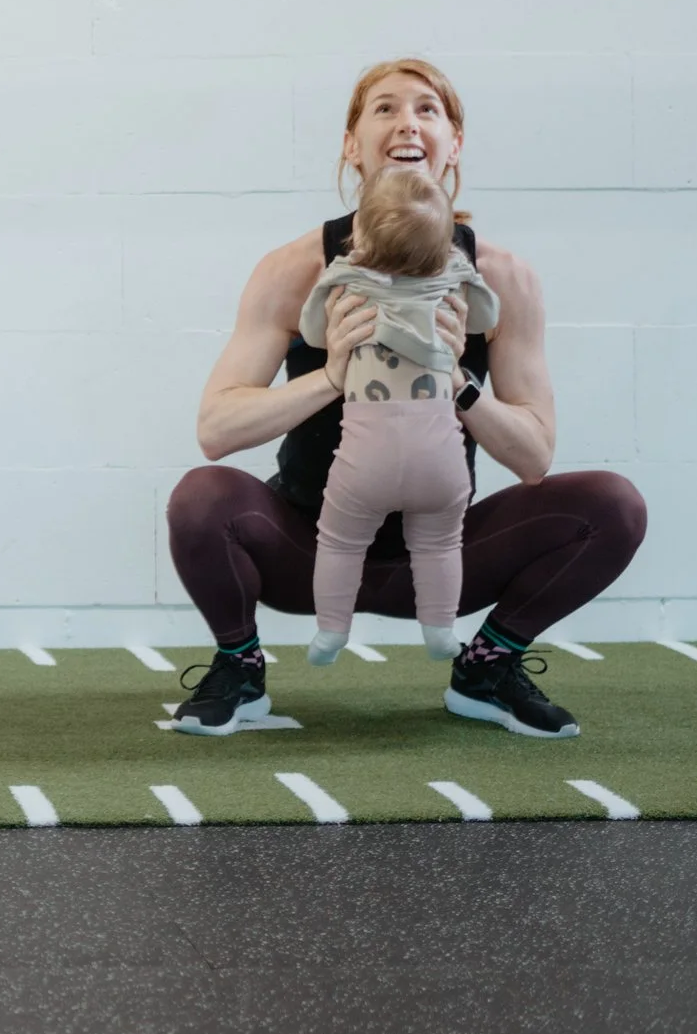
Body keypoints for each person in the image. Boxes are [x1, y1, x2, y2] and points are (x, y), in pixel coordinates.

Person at [168, 58, 646, 739]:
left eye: (428, 109)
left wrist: (458, 380)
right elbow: (216, 427)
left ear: (454, 142)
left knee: (613, 506)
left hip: (441, 545)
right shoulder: (297, 268)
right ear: (350, 143)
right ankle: (239, 667)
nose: (407, 123)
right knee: (201, 497)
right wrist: (331, 374)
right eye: (384, 108)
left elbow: (535, 454)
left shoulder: (502, 277)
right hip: (312, 544)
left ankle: (487, 667)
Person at [298, 168, 500, 665]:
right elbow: (488, 319)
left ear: (360, 235)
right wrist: (459, 274)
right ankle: (439, 629)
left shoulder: (346, 280)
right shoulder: (455, 276)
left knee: (341, 543)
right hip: (440, 455)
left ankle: (331, 631)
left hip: (367, 455)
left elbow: (313, 333)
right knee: (439, 544)